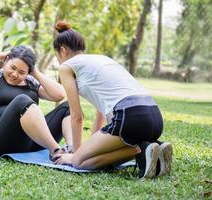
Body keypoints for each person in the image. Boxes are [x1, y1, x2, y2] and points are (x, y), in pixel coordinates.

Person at [52, 21, 173, 179]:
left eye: (57, 56)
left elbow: (76, 116)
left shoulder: (66, 67)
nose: (59, 61)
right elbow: (100, 111)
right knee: (87, 153)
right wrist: (93, 143)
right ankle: (153, 146)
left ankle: (139, 149)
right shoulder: (101, 59)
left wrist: (75, 153)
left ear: (63, 50)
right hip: (155, 118)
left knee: (79, 162)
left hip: (129, 118)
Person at [0, 46, 72, 158]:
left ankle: (71, 150)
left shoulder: (31, 83)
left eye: (21, 72)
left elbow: (59, 95)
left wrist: (34, 72)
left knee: (68, 107)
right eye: (12, 67)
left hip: (29, 142)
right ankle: (57, 152)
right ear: (6, 61)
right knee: (22, 100)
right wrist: (3, 55)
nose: (15, 74)